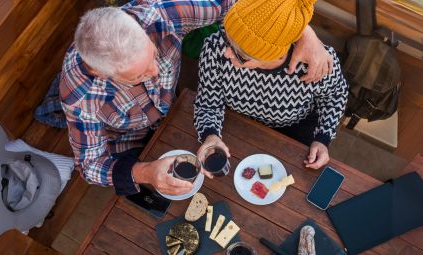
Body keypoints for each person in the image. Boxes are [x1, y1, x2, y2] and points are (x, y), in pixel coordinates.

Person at [57, 0, 335, 196]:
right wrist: (144, 173)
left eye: (154, 56)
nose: (155, 73)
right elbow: (90, 165)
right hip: (130, 145)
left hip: (179, 116)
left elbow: (254, 9)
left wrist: (301, 33)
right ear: (99, 72)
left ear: (137, 26)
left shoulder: (162, 13)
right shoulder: (80, 96)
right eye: (138, 76)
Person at [193, 0, 348, 170]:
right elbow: (208, 104)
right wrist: (210, 135)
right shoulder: (215, 47)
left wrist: (323, 138)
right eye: (228, 38)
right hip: (235, 123)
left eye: (241, 54)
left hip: (293, 131)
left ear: (273, 55)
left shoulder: (315, 64)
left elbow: (335, 95)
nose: (226, 52)